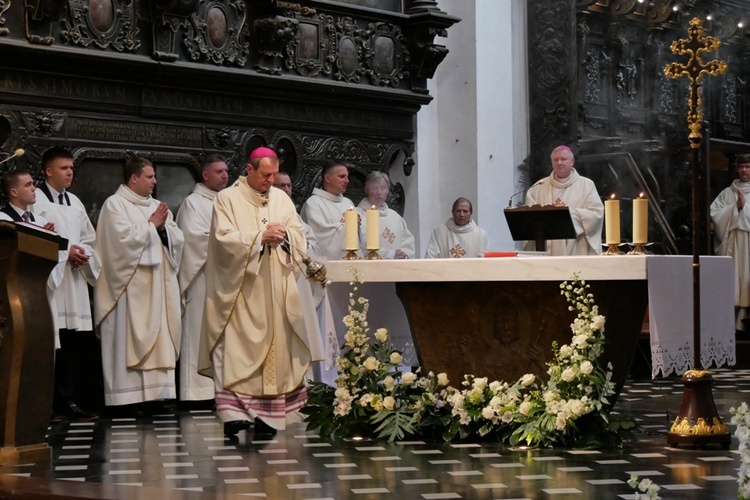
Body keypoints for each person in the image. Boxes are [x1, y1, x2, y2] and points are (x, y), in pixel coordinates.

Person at [199, 147, 323, 438]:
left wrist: (287, 236)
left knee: (275, 354)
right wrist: (258, 238)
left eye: (273, 175)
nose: (270, 180)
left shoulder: (281, 199)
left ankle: (268, 419)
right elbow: (222, 240)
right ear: (250, 169)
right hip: (242, 291)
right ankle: (234, 415)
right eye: (265, 174)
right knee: (237, 352)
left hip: (277, 288)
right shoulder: (227, 199)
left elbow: (298, 233)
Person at [94, 157, 184, 415]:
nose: (155, 181)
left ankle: (158, 397)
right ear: (134, 178)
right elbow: (118, 243)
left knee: (159, 338)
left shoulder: (158, 206)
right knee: (128, 337)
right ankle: (126, 399)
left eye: (154, 176)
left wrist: (164, 230)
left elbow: (178, 238)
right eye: (149, 177)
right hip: (128, 286)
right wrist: (152, 226)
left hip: (158, 284)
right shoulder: (115, 205)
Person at [32, 147, 101, 422]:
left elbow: (89, 238)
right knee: (52, 341)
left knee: (72, 343)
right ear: (48, 171)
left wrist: (83, 254)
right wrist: (65, 253)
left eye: (72, 167)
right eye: (64, 168)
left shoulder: (74, 201)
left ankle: (70, 400)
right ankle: (49, 403)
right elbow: (34, 235)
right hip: (51, 281)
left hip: (73, 280)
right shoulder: (36, 199)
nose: (70, 172)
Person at [175, 155, 228, 405]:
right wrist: (226, 242)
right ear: (205, 175)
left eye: (226, 171)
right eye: (219, 171)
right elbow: (193, 238)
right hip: (202, 277)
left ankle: (223, 389)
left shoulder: (229, 202)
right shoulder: (192, 203)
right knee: (199, 332)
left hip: (227, 279)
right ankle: (196, 392)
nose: (225, 175)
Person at [524, 145, 604, 255]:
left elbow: (596, 214)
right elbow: (528, 218)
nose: (559, 163)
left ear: (572, 161)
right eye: (556, 160)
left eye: (563, 159)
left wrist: (568, 214)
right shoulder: (538, 187)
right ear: (552, 162)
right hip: (545, 248)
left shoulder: (586, 185)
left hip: (576, 247)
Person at [710, 153, 750, 332]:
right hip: (732, 245)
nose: (744, 170)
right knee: (734, 281)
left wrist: (743, 208)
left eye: (748, 166)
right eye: (741, 166)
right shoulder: (727, 193)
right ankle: (730, 322)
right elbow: (715, 214)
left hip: (748, 245)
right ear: (736, 169)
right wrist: (735, 208)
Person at [300, 161, 355, 260]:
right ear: (327, 178)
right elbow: (319, 235)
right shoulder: (313, 203)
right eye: (342, 176)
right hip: (326, 264)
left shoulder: (348, 203)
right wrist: (348, 225)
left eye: (347, 176)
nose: (347, 180)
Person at [356, 171, 415, 259]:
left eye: (383, 188)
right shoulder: (357, 216)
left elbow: (408, 242)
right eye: (374, 188)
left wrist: (401, 254)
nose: (379, 192)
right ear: (366, 190)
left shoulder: (395, 217)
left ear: (387, 191)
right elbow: (358, 246)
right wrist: (389, 254)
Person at [273, 171, 321, 260]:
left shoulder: (294, 214)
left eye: (289, 186)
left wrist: (303, 244)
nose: (287, 190)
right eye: (281, 186)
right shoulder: (267, 211)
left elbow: (313, 243)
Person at [424, 197, 490, 258]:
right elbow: (431, 258)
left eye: (465, 211)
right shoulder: (439, 232)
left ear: (470, 214)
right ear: (453, 212)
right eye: (458, 211)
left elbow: (485, 262)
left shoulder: (481, 235)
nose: (462, 214)